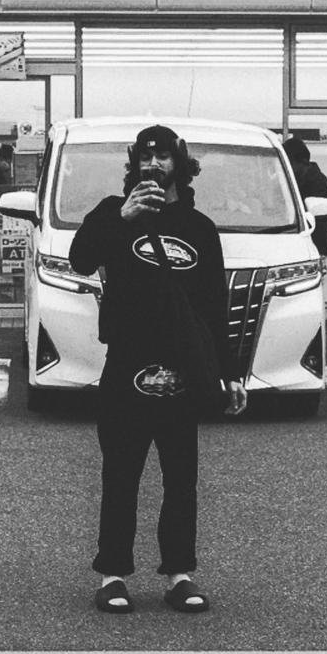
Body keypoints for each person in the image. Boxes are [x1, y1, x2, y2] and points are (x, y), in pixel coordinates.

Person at [69, 124, 247, 615]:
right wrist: (122, 217)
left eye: (163, 156)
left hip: (183, 365)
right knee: (120, 474)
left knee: (181, 478)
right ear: (134, 163)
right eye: (145, 157)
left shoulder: (199, 227)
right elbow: (80, 259)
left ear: (179, 163)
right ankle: (112, 575)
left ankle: (179, 575)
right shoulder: (112, 212)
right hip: (127, 359)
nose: (153, 165)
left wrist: (230, 372)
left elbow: (213, 305)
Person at [282, 136, 327, 258]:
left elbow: (318, 216)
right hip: (297, 242)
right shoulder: (289, 178)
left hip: (313, 244)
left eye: (287, 162)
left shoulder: (315, 180)